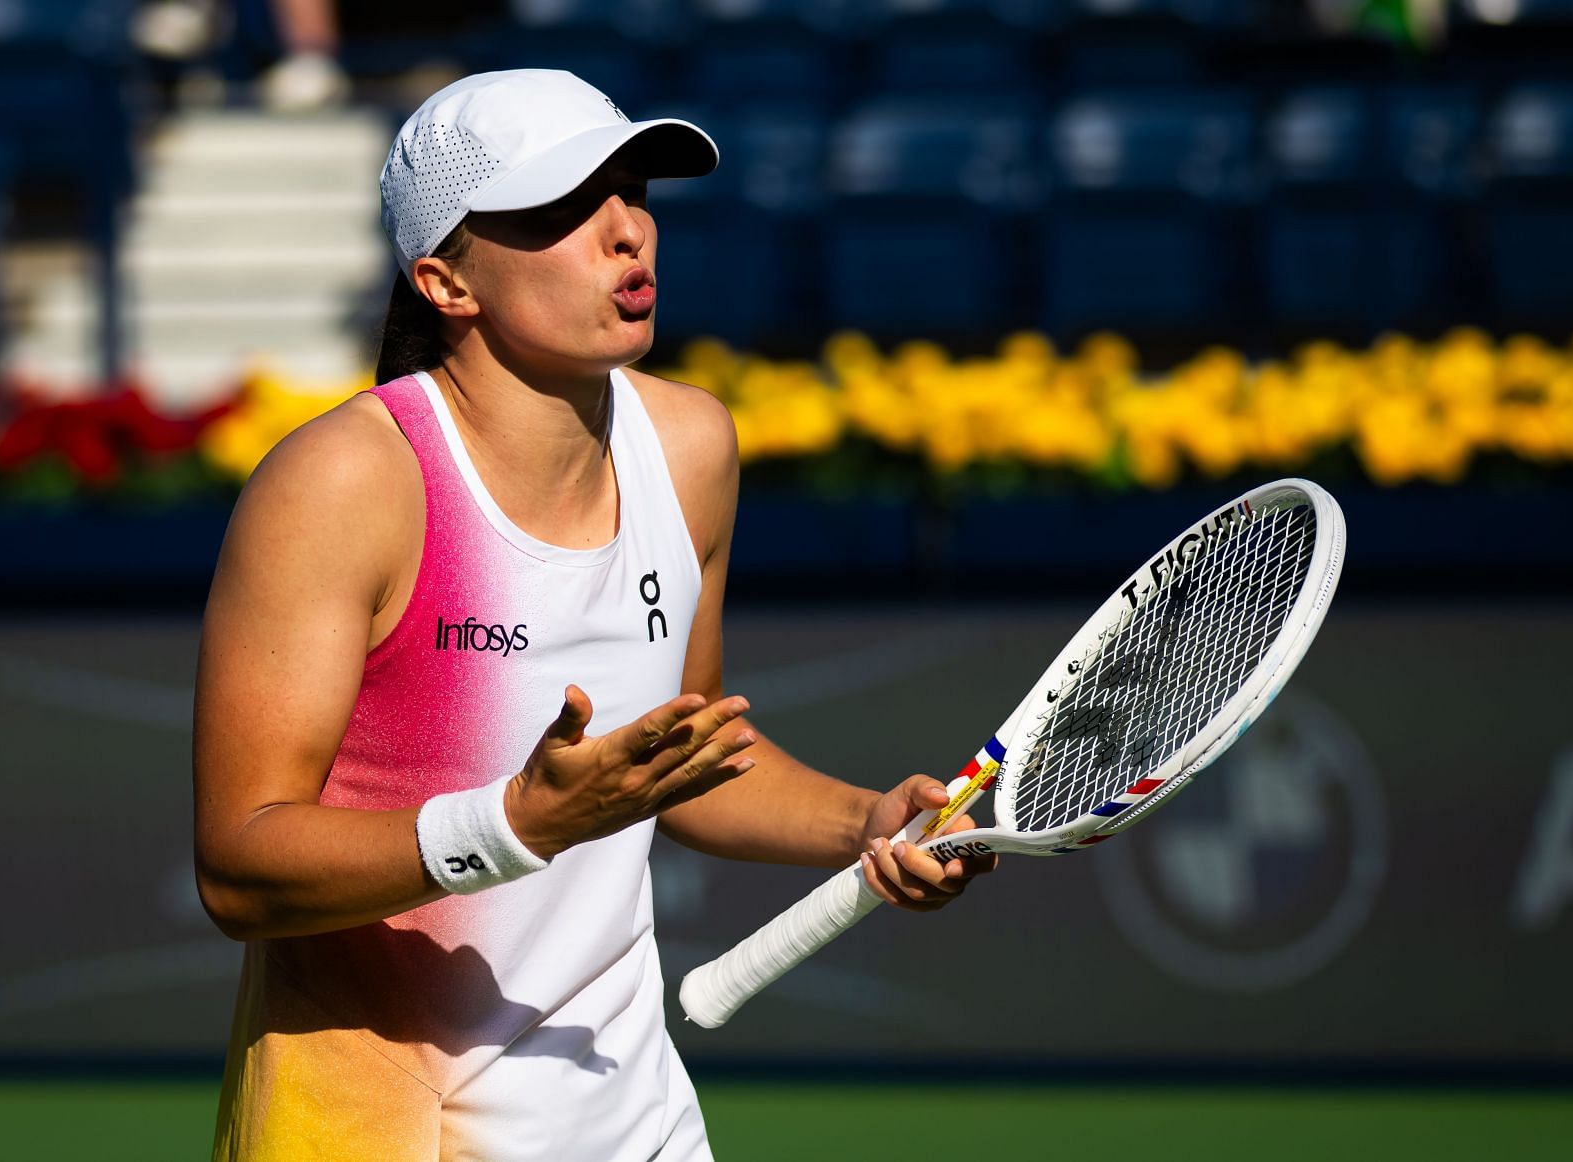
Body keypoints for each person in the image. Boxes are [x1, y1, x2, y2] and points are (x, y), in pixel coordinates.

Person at [194, 69, 997, 1161]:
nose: (627, 231)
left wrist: (867, 824)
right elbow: (238, 867)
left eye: (633, 189)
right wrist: (518, 825)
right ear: (446, 281)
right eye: (568, 204)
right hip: (372, 1128)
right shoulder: (340, 483)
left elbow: (686, 755)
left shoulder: (692, 446)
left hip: (633, 1118)